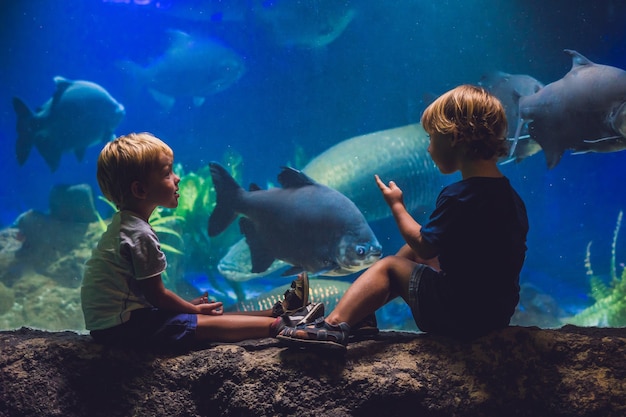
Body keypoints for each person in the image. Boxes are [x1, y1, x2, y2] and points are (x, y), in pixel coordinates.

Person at [278, 84, 529, 351]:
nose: (429, 149)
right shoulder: (510, 197)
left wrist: (397, 206)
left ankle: (334, 326)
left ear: (455, 138)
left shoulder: (458, 197)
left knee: (390, 267)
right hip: (495, 315)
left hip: (456, 315)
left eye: (432, 138)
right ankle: (360, 316)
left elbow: (425, 245)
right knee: (410, 254)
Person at [80, 132, 323, 348]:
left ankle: (274, 312)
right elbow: (157, 296)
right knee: (198, 324)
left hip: (120, 322)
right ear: (140, 191)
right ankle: (279, 327)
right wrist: (191, 308)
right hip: (122, 329)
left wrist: (187, 307)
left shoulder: (126, 225)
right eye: (167, 173)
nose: (177, 179)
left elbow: (148, 296)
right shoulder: (139, 234)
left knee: (197, 315)